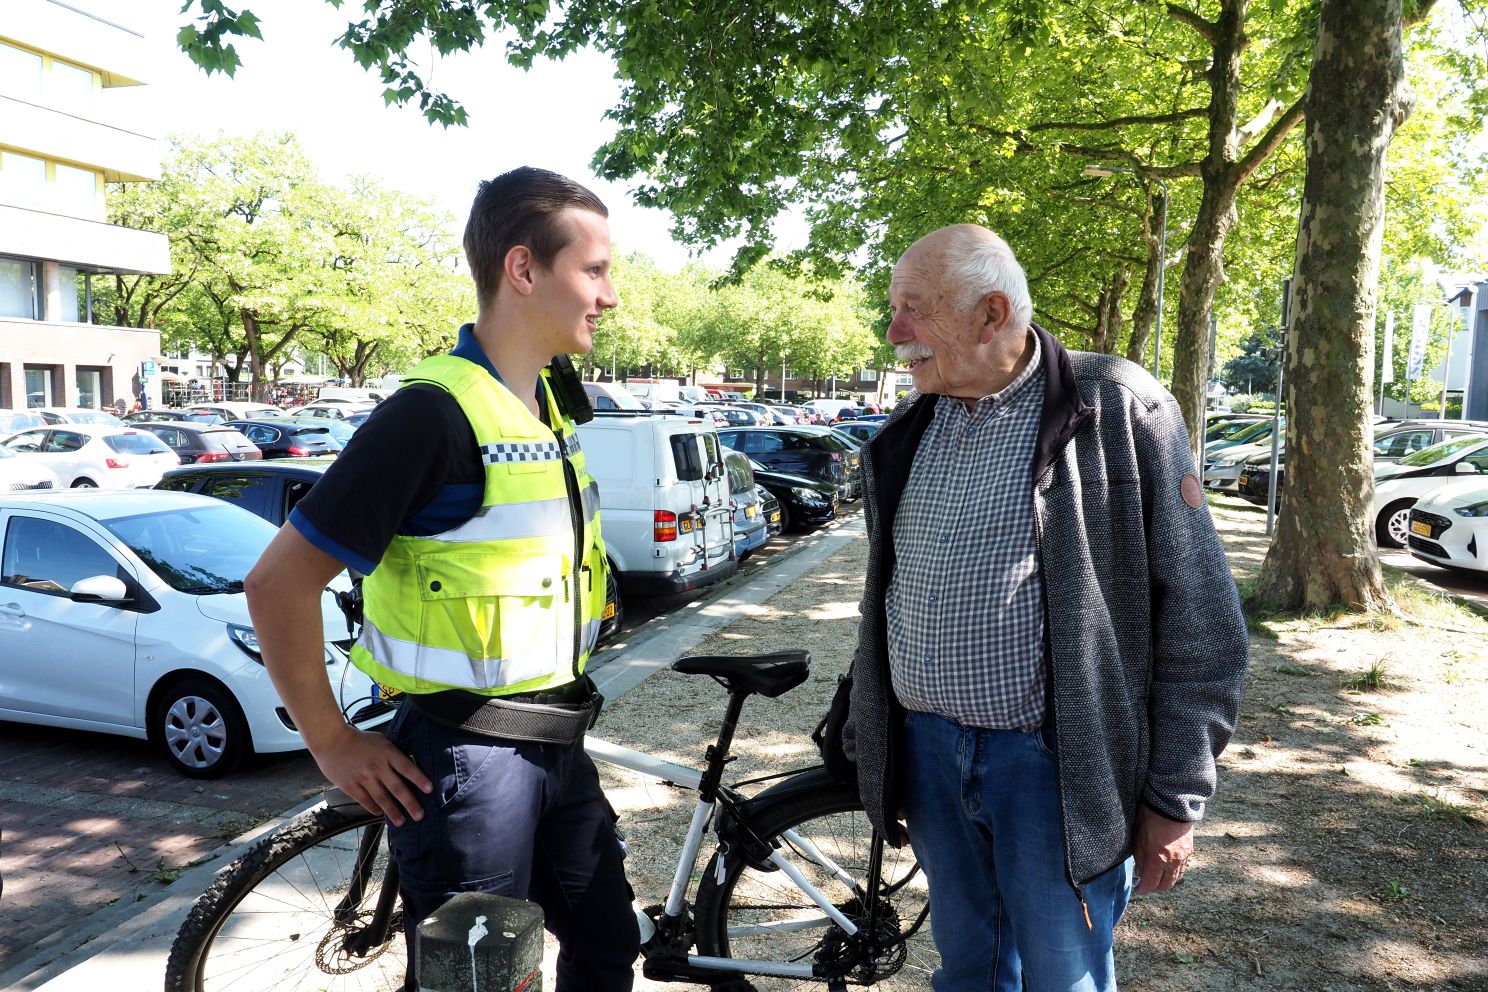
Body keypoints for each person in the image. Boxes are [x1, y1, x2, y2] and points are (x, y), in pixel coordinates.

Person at [244, 167, 637, 991]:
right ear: (523, 269)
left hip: (556, 743)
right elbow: (279, 582)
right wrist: (332, 741)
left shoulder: (548, 407)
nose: (609, 295)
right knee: (476, 982)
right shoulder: (430, 414)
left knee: (605, 949)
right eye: (594, 271)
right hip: (465, 763)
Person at [843, 224, 1248, 992]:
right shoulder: (906, 432)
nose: (893, 333)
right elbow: (886, 602)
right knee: (969, 970)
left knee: (1063, 980)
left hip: (1052, 768)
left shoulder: (1119, 408)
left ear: (992, 313)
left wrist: (1175, 797)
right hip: (928, 754)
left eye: (913, 310)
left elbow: (1204, 625)